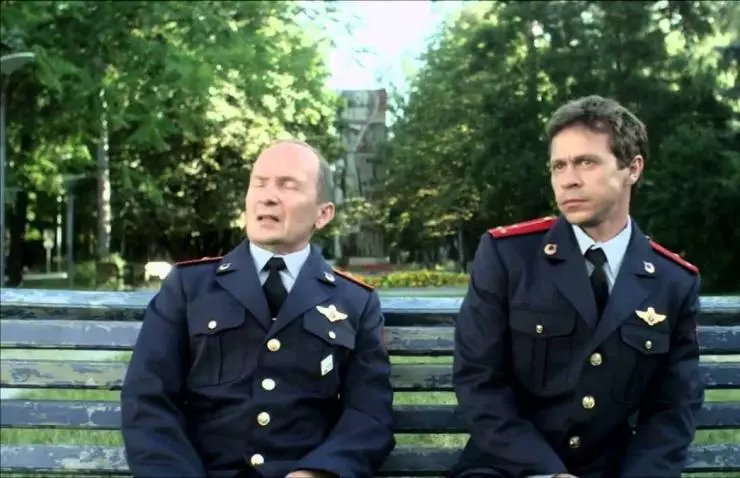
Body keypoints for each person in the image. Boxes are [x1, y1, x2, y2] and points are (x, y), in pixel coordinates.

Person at [449, 95, 704, 478]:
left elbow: (673, 408)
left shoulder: (673, 281)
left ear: (632, 168)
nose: (568, 179)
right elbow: (479, 382)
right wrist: (548, 473)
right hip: (509, 467)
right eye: (558, 166)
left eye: (586, 162)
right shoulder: (509, 256)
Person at [121, 140, 395, 478]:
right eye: (259, 183)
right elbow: (148, 400)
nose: (268, 196)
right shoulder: (189, 287)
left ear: (323, 214)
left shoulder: (354, 301)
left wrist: (319, 473)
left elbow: (370, 414)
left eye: (288, 185)